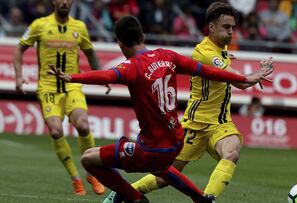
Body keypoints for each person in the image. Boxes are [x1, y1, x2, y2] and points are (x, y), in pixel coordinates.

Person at [48, 15, 273, 203]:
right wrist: (245, 77)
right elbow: (208, 71)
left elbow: (107, 75)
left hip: (153, 149)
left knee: (89, 158)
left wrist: (71, 76)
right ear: (143, 36)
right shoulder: (169, 56)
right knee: (162, 168)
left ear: (120, 44)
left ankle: (133, 198)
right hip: (176, 141)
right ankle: (201, 198)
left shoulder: (131, 67)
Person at [13, 0, 108, 196]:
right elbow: (19, 48)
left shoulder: (79, 27)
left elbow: (90, 52)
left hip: (72, 86)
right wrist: (19, 76)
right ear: (53, 1)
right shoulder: (39, 25)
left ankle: (92, 173)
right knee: (56, 131)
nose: (64, 2)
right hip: (48, 88)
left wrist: (101, 76)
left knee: (83, 125)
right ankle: (75, 178)